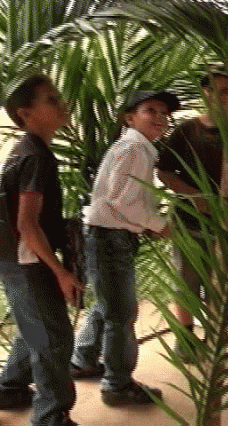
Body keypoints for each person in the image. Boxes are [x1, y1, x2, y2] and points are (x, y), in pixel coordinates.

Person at [69, 90, 178, 406]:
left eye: (164, 113)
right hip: (110, 237)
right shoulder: (135, 149)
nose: (160, 117)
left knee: (109, 304)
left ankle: (83, 359)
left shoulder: (135, 147)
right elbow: (124, 202)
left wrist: (147, 223)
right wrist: (160, 225)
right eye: (150, 110)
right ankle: (117, 385)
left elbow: (122, 199)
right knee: (121, 313)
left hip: (108, 234)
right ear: (129, 118)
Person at [0, 74, 83, 425]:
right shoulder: (35, 156)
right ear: (26, 113)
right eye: (50, 99)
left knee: (34, 324)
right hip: (27, 260)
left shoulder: (27, 150)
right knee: (54, 337)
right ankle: (51, 416)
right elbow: (27, 224)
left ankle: (9, 388)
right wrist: (60, 272)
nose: (61, 103)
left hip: (14, 259)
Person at [155, 66, 228, 361]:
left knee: (219, 287)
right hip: (188, 222)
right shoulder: (187, 130)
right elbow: (163, 171)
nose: (223, 97)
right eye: (217, 91)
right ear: (206, 93)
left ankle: (215, 342)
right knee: (187, 284)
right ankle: (185, 342)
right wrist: (194, 196)